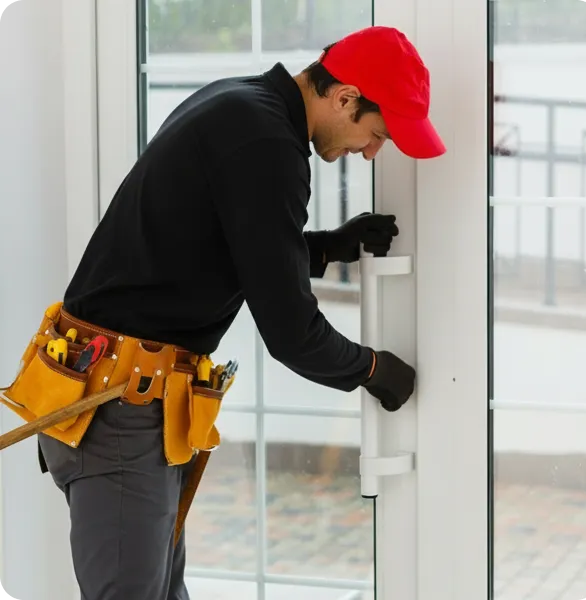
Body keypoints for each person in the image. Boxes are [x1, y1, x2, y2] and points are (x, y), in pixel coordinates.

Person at [37, 25, 445, 600]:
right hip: (120, 407)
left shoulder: (241, 104)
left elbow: (221, 243)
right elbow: (292, 334)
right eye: (376, 134)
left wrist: (326, 246)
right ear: (346, 98)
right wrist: (373, 369)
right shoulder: (267, 144)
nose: (373, 151)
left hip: (119, 395)